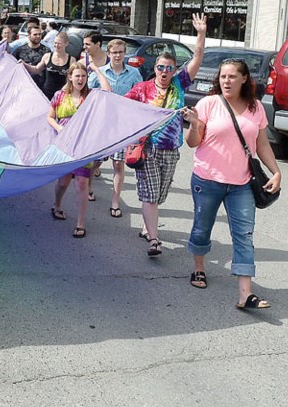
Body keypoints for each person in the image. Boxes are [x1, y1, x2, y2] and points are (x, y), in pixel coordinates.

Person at [182, 59, 281, 307]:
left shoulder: (255, 107)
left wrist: (276, 171)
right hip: (207, 180)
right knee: (202, 228)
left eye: (232, 76)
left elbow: (261, 144)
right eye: (223, 76)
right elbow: (192, 142)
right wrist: (194, 125)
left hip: (242, 184)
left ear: (244, 78)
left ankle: (245, 294)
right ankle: (199, 268)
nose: (227, 81)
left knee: (244, 235)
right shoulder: (208, 103)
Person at [125, 13, 207, 257]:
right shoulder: (143, 89)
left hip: (171, 150)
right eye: (160, 67)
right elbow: (123, 108)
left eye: (168, 68)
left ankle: (147, 225)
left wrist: (201, 33)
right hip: (148, 148)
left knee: (159, 195)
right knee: (150, 195)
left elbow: (198, 57)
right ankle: (154, 240)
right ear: (155, 68)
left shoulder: (180, 84)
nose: (164, 71)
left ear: (174, 71)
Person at [47, 62, 111, 238]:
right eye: (77, 75)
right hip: (65, 145)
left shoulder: (91, 96)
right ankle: (57, 205)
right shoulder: (60, 95)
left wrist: (97, 70)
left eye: (83, 76)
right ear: (70, 77)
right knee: (63, 182)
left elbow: (108, 91)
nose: (81, 79)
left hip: (84, 146)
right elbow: (50, 117)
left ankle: (80, 223)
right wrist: (59, 128)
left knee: (82, 183)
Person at [87, 38, 143, 219]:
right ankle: (88, 185)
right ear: (108, 54)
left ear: (124, 54)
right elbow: (88, 96)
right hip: (103, 124)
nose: (118, 55)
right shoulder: (100, 73)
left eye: (121, 52)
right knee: (97, 160)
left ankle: (115, 201)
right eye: (114, 52)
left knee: (118, 164)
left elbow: (140, 99)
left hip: (123, 126)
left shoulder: (134, 74)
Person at [23, 31, 75, 99]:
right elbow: (36, 70)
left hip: (62, 95)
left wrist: (65, 90)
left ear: (66, 44)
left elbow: (73, 79)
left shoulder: (71, 60)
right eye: (55, 43)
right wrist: (24, 64)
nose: (56, 45)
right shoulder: (47, 56)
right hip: (46, 93)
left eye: (59, 43)